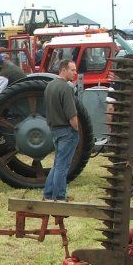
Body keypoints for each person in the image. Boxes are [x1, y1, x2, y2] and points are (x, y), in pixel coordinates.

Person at [42, 60, 80, 202]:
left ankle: (48, 193)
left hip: (55, 130)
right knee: (63, 167)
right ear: (63, 70)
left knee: (58, 164)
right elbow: (72, 115)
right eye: (72, 70)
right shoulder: (66, 88)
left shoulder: (50, 86)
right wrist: (76, 130)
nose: (75, 73)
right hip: (66, 131)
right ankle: (59, 197)